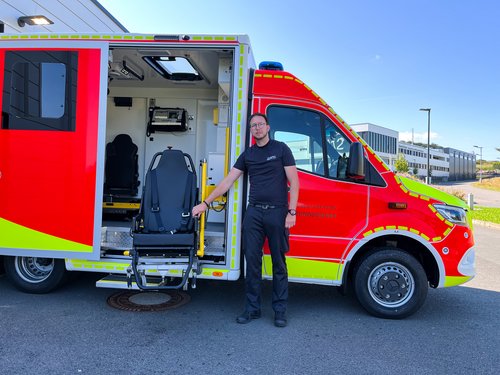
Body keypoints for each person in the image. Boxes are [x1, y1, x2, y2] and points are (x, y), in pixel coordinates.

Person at [192, 112, 299, 327]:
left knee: (279, 262)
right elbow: (227, 182)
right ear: (251, 131)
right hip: (254, 214)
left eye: (260, 124)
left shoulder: (281, 149)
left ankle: (279, 311)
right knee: (252, 262)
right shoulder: (248, 155)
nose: (257, 128)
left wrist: (292, 211)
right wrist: (205, 203)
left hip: (277, 212)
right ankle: (252, 309)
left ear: (268, 127)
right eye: (253, 126)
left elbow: (294, 182)